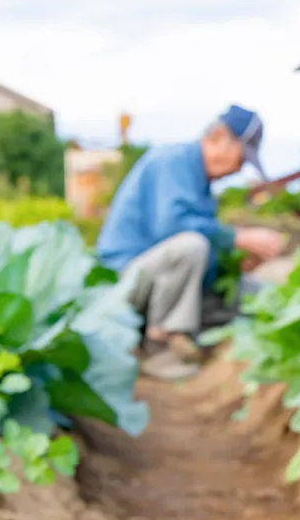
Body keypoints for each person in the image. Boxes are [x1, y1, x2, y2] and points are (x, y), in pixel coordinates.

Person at [96, 105, 285, 380]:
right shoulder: (173, 161)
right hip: (123, 282)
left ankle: (196, 340)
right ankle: (159, 347)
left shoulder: (202, 184)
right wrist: (238, 238)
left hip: (158, 286)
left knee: (256, 295)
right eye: (241, 158)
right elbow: (171, 228)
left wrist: (230, 260)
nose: (239, 168)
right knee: (192, 246)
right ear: (219, 137)